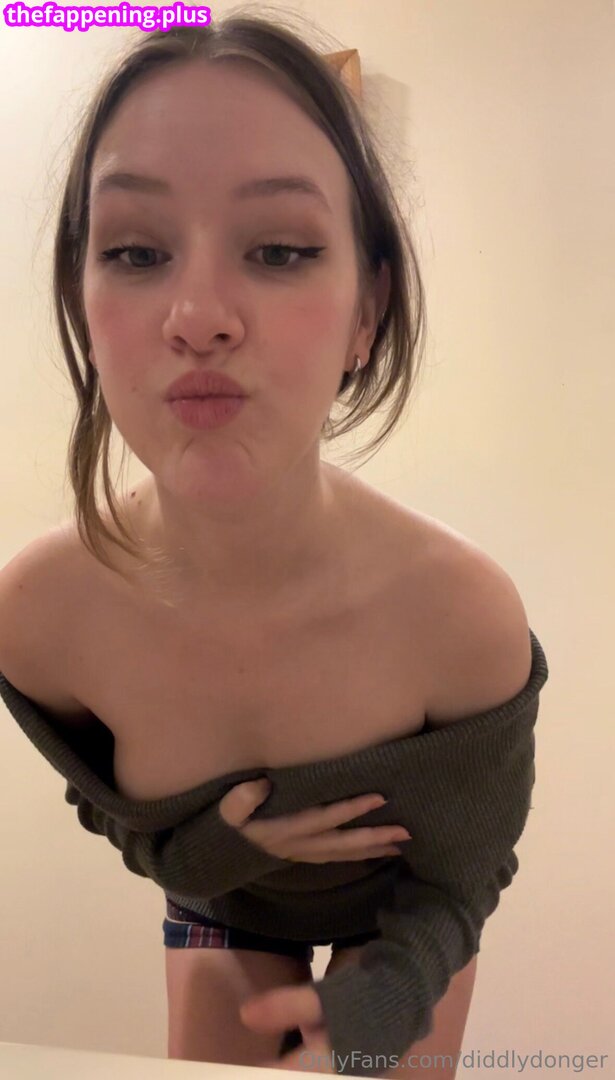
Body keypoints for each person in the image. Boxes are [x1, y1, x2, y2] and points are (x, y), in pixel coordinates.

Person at [0, 12, 548, 1079]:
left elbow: (463, 879)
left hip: (404, 923)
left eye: (281, 251)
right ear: (82, 299)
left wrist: (379, 1009)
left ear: (367, 310)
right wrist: (226, 847)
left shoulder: (462, 617)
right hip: (222, 899)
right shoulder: (38, 618)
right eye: (136, 252)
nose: (198, 316)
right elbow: (107, 806)